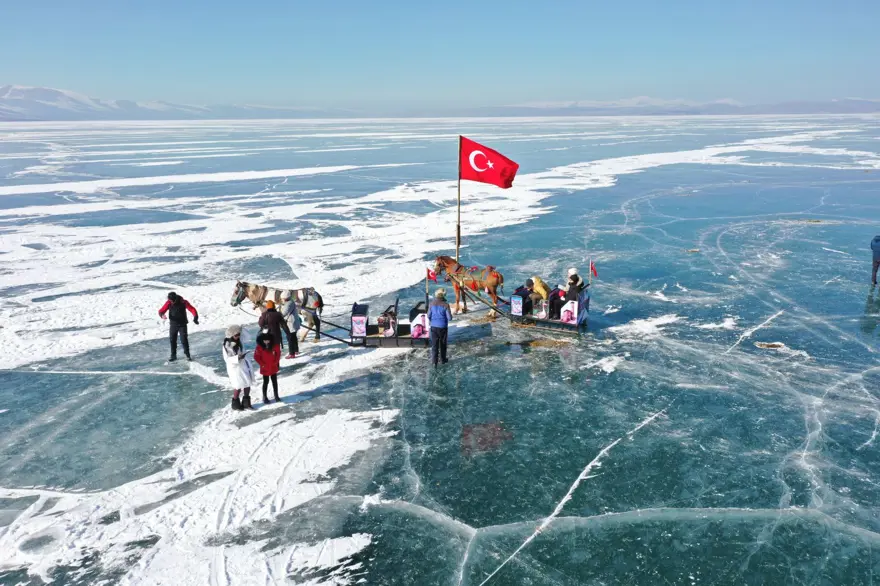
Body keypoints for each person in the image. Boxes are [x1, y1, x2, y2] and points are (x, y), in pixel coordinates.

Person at [158, 292, 198, 362]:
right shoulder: (168, 302)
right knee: (172, 340)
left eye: (172, 300)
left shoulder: (183, 302)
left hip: (182, 324)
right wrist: (162, 315)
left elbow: (192, 309)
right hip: (173, 325)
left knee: (184, 340)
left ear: (175, 298)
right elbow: (161, 311)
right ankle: (173, 355)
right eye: (170, 300)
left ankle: (187, 355)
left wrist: (195, 317)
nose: (171, 301)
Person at [222, 325, 253, 411]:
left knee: (247, 384)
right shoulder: (226, 345)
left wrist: (240, 328)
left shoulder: (240, 340)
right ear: (231, 335)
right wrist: (237, 358)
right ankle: (235, 405)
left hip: (243, 366)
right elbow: (227, 359)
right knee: (238, 386)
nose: (238, 336)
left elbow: (248, 336)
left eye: (239, 334)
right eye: (236, 335)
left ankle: (246, 404)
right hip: (235, 368)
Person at [254, 328, 281, 404]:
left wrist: (276, 362)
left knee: (274, 381)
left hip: (273, 366)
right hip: (265, 367)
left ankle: (276, 395)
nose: (266, 342)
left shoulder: (274, 346)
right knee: (266, 382)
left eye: (268, 340)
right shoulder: (259, 347)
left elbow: (278, 353)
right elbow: (256, 357)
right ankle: (265, 397)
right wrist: (262, 364)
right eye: (265, 340)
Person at [428, 288, 453, 367]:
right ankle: (443, 360)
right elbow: (449, 318)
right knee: (443, 344)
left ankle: (434, 362)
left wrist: (432, 321)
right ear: (443, 296)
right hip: (443, 327)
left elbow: (428, 315)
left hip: (433, 327)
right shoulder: (445, 305)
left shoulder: (431, 304)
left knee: (434, 345)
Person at [280, 291, 301, 359]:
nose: (282, 299)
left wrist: (276, 314)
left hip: (291, 323)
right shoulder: (290, 301)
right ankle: (296, 350)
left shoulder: (288, 304)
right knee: (294, 337)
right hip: (293, 322)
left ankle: (291, 354)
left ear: (285, 298)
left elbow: (283, 313)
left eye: (282, 298)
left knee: (290, 338)